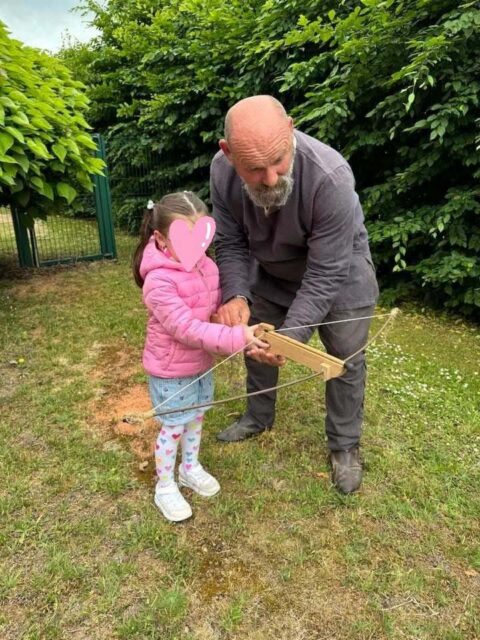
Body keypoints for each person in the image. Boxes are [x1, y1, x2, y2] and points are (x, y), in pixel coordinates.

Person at [210, 95, 379, 494]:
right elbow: (231, 242)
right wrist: (236, 294)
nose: (270, 179)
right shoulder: (221, 171)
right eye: (255, 169)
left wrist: (294, 335)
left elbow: (325, 272)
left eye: (278, 162)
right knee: (258, 340)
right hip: (271, 271)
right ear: (228, 153)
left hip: (340, 273)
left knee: (344, 359)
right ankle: (258, 416)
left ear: (290, 130)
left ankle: (344, 446)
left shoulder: (331, 177)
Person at [133, 191, 267, 521]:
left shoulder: (207, 266)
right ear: (160, 238)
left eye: (201, 238)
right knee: (173, 427)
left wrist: (233, 322)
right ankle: (165, 485)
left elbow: (212, 312)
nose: (197, 249)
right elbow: (187, 328)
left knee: (196, 417)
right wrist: (237, 337)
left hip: (200, 363)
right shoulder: (158, 281)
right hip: (170, 369)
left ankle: (189, 468)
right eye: (185, 239)